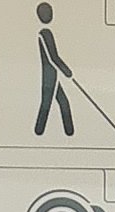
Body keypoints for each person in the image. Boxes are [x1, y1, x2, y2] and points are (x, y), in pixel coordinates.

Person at [34, 3, 74, 136]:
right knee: (46, 103)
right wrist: (67, 72)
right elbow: (52, 57)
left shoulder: (46, 32)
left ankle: (69, 131)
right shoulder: (44, 33)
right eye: (47, 13)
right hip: (49, 76)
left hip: (53, 74)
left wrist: (65, 71)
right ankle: (39, 131)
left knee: (63, 102)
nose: (50, 15)